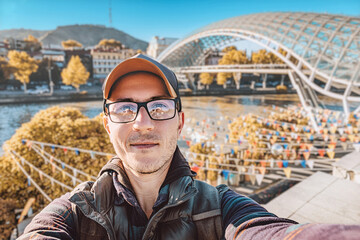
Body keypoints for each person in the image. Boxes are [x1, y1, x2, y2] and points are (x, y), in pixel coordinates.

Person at [19, 54, 360, 240]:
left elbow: (269, 232)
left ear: (180, 122)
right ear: (107, 124)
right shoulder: (75, 211)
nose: (143, 122)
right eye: (125, 108)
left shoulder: (221, 207)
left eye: (160, 106)